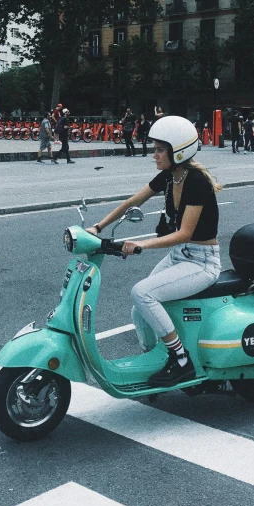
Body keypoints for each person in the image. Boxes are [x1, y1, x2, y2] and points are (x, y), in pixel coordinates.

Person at [86, 116, 221, 387]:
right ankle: (153, 359)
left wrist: (141, 244)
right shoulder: (170, 177)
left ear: (178, 151)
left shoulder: (196, 182)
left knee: (142, 292)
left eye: (160, 149)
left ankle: (181, 360)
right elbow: (133, 201)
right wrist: (97, 227)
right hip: (181, 256)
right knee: (140, 309)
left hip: (202, 262)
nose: (154, 155)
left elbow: (184, 233)